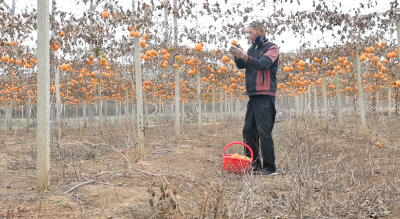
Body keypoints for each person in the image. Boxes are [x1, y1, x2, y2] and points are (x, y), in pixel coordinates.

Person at [229, 21, 279, 176]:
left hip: (265, 95)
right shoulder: (252, 49)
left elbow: (262, 64)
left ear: (260, 31)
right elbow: (244, 65)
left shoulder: (271, 48)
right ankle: (253, 164)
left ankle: (270, 168)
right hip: (253, 95)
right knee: (248, 130)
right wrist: (238, 57)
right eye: (248, 32)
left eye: (251, 32)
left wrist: (244, 55)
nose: (248, 35)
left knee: (263, 131)